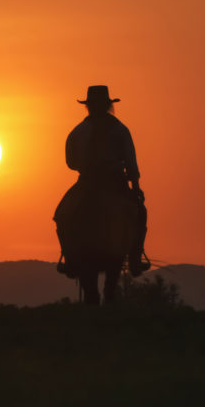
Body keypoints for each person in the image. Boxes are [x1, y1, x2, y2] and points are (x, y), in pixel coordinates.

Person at [56, 85, 150, 274]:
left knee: (62, 214)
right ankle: (135, 258)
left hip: (87, 183)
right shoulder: (121, 130)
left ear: (88, 106)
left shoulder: (79, 131)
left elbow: (70, 162)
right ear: (108, 105)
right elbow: (131, 161)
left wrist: (86, 165)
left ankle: (70, 257)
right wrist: (136, 184)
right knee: (139, 213)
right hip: (115, 183)